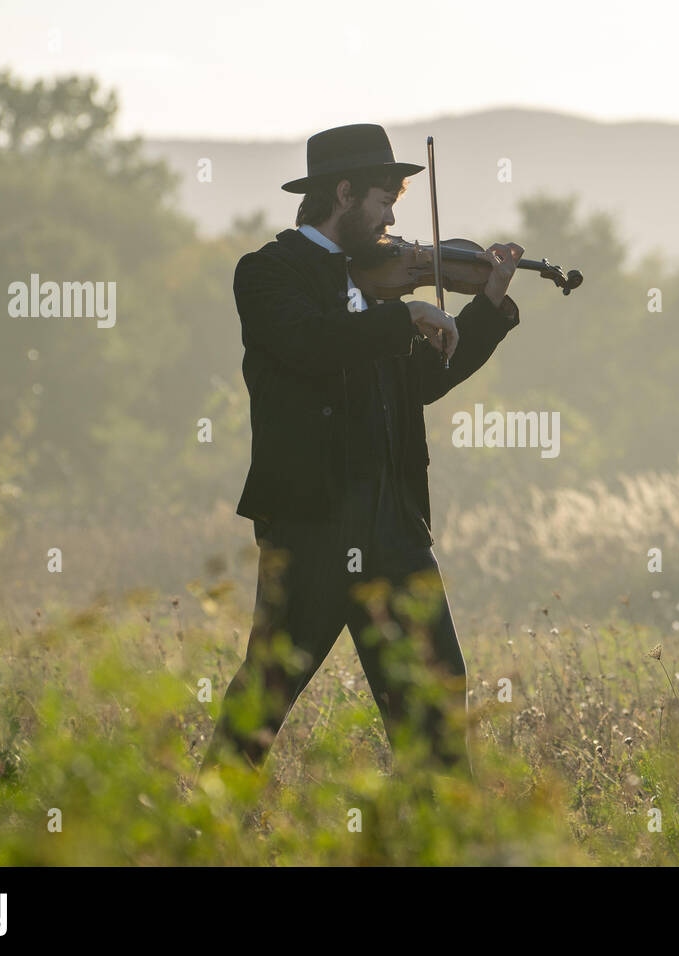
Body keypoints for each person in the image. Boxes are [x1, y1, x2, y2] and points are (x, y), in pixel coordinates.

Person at [203, 123, 523, 778]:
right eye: (382, 200)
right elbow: (308, 343)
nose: (393, 219)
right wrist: (401, 318)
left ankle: (434, 839)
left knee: (436, 692)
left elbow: (425, 381)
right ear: (343, 193)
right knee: (266, 693)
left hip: (395, 526)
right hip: (312, 526)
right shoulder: (270, 273)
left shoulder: (385, 288)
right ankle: (202, 832)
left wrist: (486, 309)